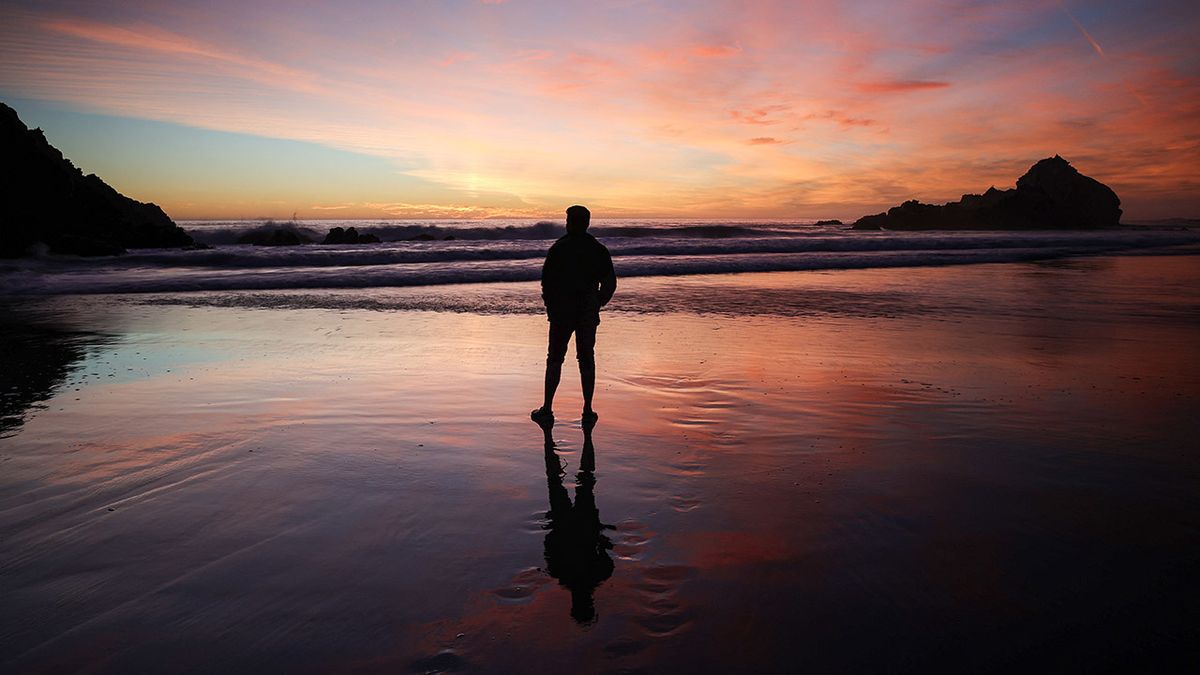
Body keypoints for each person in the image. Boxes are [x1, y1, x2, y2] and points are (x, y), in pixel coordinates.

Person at [530, 205, 616, 427]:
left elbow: (547, 283)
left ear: (572, 222)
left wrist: (551, 306)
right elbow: (609, 284)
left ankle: (547, 409)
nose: (567, 224)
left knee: (555, 358)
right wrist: (597, 303)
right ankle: (587, 410)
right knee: (586, 358)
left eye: (568, 220)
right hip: (586, 309)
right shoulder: (597, 249)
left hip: (562, 310)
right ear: (587, 223)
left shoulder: (560, 248)